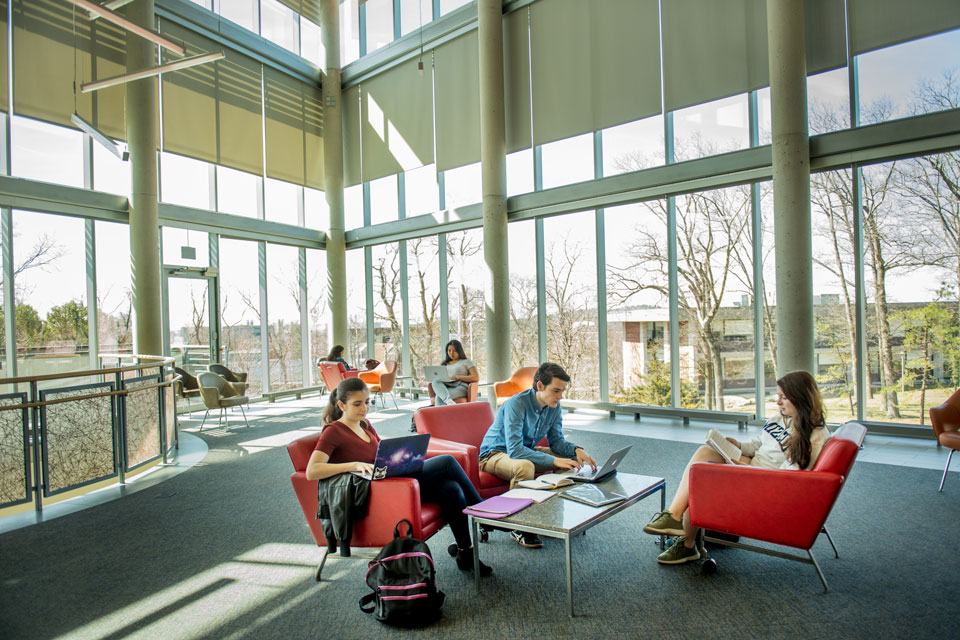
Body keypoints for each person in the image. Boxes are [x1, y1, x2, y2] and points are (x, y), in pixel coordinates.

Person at [305, 377, 492, 576]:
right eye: (357, 404)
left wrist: (401, 455)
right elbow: (312, 471)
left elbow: (378, 455)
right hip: (377, 493)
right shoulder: (333, 432)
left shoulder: (365, 425)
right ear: (341, 405)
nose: (364, 408)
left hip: (391, 481)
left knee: (451, 489)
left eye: (367, 402)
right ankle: (482, 511)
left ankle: (466, 553)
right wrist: (354, 465)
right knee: (446, 462)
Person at [643, 370, 831, 565]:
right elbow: (759, 443)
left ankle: (687, 544)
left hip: (765, 482)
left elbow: (786, 478)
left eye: (784, 397)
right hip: (752, 466)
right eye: (778, 396)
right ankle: (674, 516)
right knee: (703, 454)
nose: (778, 402)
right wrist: (738, 446)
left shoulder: (814, 436)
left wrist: (742, 468)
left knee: (702, 478)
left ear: (801, 398)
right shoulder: (782, 418)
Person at [478, 362, 598, 549]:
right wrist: (554, 460)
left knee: (569, 461)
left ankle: (550, 515)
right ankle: (520, 527)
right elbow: (515, 451)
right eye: (556, 391)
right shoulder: (515, 404)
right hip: (494, 454)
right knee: (525, 466)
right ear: (540, 386)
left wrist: (577, 450)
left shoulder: (553, 406)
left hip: (524, 450)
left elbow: (556, 442)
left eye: (562, 391)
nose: (560, 396)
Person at [429, 339, 479, 406]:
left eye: (454, 351)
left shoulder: (466, 361)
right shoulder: (444, 363)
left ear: (459, 351)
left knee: (439, 397)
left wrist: (458, 377)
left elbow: (476, 377)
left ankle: (443, 411)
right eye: (449, 350)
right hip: (447, 385)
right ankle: (448, 401)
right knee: (435, 381)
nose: (451, 353)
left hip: (461, 386)